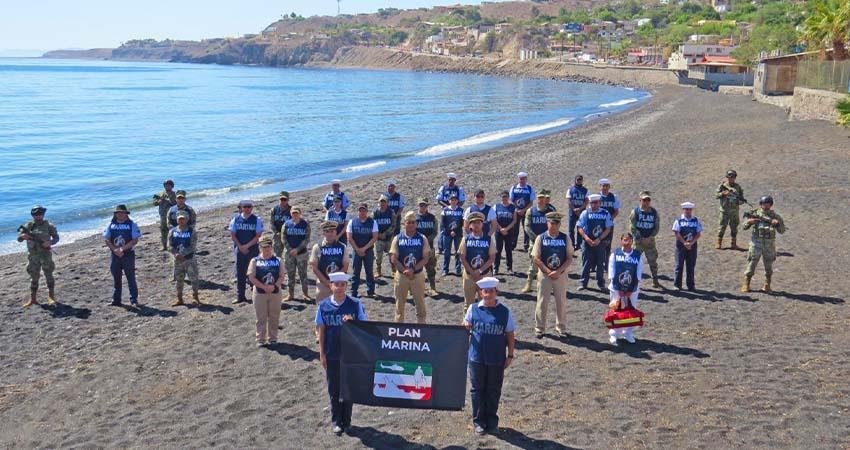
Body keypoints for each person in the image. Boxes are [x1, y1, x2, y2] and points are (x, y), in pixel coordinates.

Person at [316, 272, 367, 436]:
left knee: (348, 389)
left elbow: (365, 326)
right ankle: (336, 421)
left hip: (350, 354)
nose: (339, 287)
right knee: (334, 389)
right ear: (330, 286)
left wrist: (353, 323)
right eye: (336, 284)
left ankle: (347, 420)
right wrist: (322, 354)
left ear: (346, 286)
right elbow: (321, 330)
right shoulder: (323, 306)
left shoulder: (355, 304)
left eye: (342, 284)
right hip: (332, 354)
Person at [463, 276, 515, 435]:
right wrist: (465, 325)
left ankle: (492, 421)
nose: (488, 295)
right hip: (476, 357)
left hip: (496, 358)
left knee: (493, 390)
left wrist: (510, 355)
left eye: (491, 291)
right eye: (485, 292)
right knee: (477, 390)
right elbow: (465, 327)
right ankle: (478, 421)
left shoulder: (505, 311)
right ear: (480, 293)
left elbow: (510, 335)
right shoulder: (473, 309)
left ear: (496, 292)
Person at [531, 212, 573, 338]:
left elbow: (569, 258)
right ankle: (540, 328)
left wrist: (558, 271)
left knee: (561, 301)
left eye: (556, 223)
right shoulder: (541, 238)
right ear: (547, 223)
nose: (554, 226)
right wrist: (548, 271)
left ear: (560, 224)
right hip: (545, 275)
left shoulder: (565, 238)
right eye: (551, 223)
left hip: (560, 275)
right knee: (542, 301)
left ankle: (561, 327)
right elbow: (536, 258)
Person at [390, 211, 430, 323]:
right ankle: (398, 328)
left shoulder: (422, 238)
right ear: (404, 223)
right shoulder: (398, 238)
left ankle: (421, 328)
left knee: (420, 304)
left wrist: (413, 269)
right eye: (409, 222)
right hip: (401, 276)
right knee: (399, 305)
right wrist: (405, 270)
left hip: (417, 275)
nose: (411, 225)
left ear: (416, 224)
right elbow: (393, 258)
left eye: (413, 222)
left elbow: (425, 258)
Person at [607, 233, 645, 345]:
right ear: (621, 241)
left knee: (630, 311)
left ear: (632, 241)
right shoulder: (615, 254)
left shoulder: (638, 255)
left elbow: (639, 273)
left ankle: (628, 332)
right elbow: (611, 272)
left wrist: (631, 290)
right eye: (625, 240)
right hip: (616, 288)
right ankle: (614, 334)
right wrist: (618, 289)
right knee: (616, 310)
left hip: (632, 289)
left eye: (629, 240)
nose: (627, 242)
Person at [741, 195, 786, 293]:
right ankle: (746, 284)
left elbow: (782, 230)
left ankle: (767, 285)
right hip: (756, 243)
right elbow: (744, 227)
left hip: (769, 244)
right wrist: (750, 222)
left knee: (768, 265)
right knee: (752, 263)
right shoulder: (755, 214)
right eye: (763, 204)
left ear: (771, 205)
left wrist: (777, 224)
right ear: (760, 204)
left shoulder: (775, 216)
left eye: (767, 204)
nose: (765, 206)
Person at [18, 205, 60, 307]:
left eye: (40, 214)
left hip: (45, 254)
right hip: (33, 256)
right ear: (33, 215)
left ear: (43, 214)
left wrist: (50, 242)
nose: (38, 217)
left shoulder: (49, 225)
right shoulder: (28, 226)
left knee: (49, 275)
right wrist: (23, 237)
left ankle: (51, 297)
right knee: (34, 277)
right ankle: (33, 299)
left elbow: (56, 238)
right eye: (36, 215)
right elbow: (19, 239)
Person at [248, 234, 285, 346]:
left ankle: (273, 338)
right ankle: (260, 339)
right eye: (264, 247)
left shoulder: (278, 260)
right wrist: (263, 287)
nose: (266, 249)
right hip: (259, 293)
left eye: (268, 246)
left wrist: (275, 286)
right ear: (260, 248)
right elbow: (251, 277)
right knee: (261, 316)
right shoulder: (255, 261)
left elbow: (282, 276)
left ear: (271, 247)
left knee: (274, 315)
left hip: (275, 292)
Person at [459, 212, 497, 316]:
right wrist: (472, 272)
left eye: (478, 222)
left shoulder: (489, 239)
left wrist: (479, 271)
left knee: (486, 302)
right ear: (470, 225)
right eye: (473, 223)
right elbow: (462, 257)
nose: (476, 225)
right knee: (468, 304)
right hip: (469, 276)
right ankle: (467, 326)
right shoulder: (466, 239)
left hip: (485, 275)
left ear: (482, 224)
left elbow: (492, 258)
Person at [104, 204, 141, 306]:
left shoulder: (132, 224)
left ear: (126, 214)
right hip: (115, 255)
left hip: (128, 254)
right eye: (118, 213)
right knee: (116, 278)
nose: (120, 214)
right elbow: (107, 239)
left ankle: (134, 300)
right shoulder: (110, 225)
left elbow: (135, 240)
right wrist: (115, 250)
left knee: (131, 278)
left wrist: (122, 249)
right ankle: (116, 300)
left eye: (122, 212)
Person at [521, 190, 556, 293]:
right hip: (534, 240)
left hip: (548, 240)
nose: (540, 200)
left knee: (549, 263)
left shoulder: (550, 211)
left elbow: (555, 225)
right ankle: (529, 284)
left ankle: (551, 285)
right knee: (533, 262)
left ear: (545, 199)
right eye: (539, 198)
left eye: (542, 198)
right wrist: (536, 238)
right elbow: (526, 226)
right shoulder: (530, 211)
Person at [229, 200, 263, 304]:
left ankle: (257, 294)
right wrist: (240, 246)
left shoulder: (256, 219)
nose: (247, 209)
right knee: (240, 273)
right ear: (242, 208)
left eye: (249, 207)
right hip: (239, 250)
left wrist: (247, 246)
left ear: (252, 208)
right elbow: (233, 235)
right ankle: (241, 296)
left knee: (254, 272)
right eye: (245, 207)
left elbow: (258, 235)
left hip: (252, 249)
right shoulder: (235, 219)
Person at [577, 194, 613, 292]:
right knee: (586, 262)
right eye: (592, 202)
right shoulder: (585, 213)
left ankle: (601, 283)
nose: (593, 205)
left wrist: (599, 239)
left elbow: (608, 228)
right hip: (587, 242)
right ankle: (583, 282)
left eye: (595, 202)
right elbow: (580, 227)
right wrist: (586, 238)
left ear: (600, 202)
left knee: (600, 263)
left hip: (600, 242)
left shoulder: (605, 213)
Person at [310, 221, 350, 302]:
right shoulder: (317, 247)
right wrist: (326, 282)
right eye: (327, 231)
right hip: (322, 282)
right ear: (323, 233)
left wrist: (334, 281)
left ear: (336, 232)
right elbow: (314, 267)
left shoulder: (342, 247)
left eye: (332, 231)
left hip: (339, 283)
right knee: (322, 307)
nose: (330, 234)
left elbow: (345, 266)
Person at [629, 191, 661, 288]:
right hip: (638, 242)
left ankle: (655, 280)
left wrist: (651, 237)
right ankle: (633, 281)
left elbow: (656, 227)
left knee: (653, 262)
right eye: (644, 200)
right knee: (634, 262)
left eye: (648, 200)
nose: (646, 202)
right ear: (640, 200)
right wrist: (641, 238)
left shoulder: (654, 212)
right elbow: (632, 227)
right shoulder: (635, 212)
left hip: (650, 242)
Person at [168, 210, 201, 306]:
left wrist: (183, 255)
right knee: (179, 280)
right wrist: (176, 254)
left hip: (190, 260)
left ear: (187, 220)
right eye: (180, 219)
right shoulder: (172, 231)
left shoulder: (192, 231)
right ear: (177, 220)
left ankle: (195, 297)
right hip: (177, 260)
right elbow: (169, 245)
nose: (181, 221)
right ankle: (180, 299)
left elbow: (193, 246)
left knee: (194, 279)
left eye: (183, 219)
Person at [347, 203, 378, 298]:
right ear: (358, 211)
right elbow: (349, 237)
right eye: (360, 210)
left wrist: (364, 249)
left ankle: (371, 291)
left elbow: (374, 237)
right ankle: (354, 291)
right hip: (356, 251)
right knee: (356, 272)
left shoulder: (373, 222)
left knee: (369, 272)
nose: (362, 212)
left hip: (368, 251)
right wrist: (357, 249)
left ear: (367, 211)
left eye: (364, 210)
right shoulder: (352, 222)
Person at [282, 206, 311, 300]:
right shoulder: (286, 224)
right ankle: (290, 294)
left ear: (299, 213)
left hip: (302, 253)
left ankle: (305, 294)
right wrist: (290, 249)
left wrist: (297, 249)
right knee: (290, 275)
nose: (295, 214)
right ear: (291, 213)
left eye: (296, 213)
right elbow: (283, 238)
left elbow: (307, 239)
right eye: (293, 213)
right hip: (289, 254)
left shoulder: (305, 224)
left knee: (303, 275)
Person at [672, 202, 702, 291]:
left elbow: (698, 233)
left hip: (692, 247)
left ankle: (691, 285)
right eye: (686, 209)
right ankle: (677, 285)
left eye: (689, 209)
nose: (688, 211)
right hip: (680, 247)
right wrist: (684, 242)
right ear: (683, 210)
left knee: (691, 266)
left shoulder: (695, 220)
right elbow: (676, 233)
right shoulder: (678, 220)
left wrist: (691, 243)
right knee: (679, 266)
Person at [415, 198, 439, 296]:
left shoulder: (432, 218)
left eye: (424, 205)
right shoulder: (415, 218)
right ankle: (414, 288)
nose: (423, 207)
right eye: (421, 205)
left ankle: (432, 287)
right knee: (415, 268)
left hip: (429, 246)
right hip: (416, 247)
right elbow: (411, 231)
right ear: (418, 206)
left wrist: (427, 239)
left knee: (431, 268)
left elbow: (435, 232)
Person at [716, 169, 745, 250]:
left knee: (734, 227)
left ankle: (733, 243)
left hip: (734, 211)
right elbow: (716, 195)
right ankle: (719, 242)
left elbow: (741, 199)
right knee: (722, 227)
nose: (731, 178)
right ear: (727, 177)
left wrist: (740, 201)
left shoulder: (738, 187)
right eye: (729, 177)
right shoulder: (722, 186)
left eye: (733, 177)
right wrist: (723, 193)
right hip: (724, 210)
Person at [494, 191, 518, 275]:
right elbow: (494, 219)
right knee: (498, 250)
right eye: (503, 196)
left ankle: (509, 268)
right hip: (498, 231)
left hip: (509, 231)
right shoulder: (496, 206)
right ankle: (496, 268)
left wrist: (506, 229)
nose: (504, 198)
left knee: (508, 250)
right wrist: (501, 229)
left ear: (508, 197)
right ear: (500, 197)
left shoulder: (512, 207)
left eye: (506, 196)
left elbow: (514, 220)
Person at [439, 194, 464, 276]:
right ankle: (445, 269)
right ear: (449, 201)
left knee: (458, 251)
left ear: (457, 201)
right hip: (447, 234)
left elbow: (462, 223)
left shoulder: (461, 210)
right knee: (447, 252)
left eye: (455, 200)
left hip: (458, 234)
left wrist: (455, 231)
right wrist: (450, 231)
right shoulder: (445, 210)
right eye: (452, 200)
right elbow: (443, 223)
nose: (453, 201)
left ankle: (458, 269)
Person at [509, 172, 535, 250]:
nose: (522, 180)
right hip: (515, 212)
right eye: (520, 179)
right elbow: (510, 200)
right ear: (518, 179)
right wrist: (516, 210)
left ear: (526, 179)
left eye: (523, 179)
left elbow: (531, 202)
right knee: (514, 229)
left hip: (526, 211)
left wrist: (523, 210)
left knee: (526, 228)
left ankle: (526, 245)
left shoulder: (530, 188)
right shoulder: (513, 188)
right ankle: (513, 245)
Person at [598, 179, 620, 270]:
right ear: (600, 186)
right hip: (598, 224)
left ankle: (607, 265)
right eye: (603, 186)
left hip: (609, 224)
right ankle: (596, 264)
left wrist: (609, 220)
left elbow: (616, 211)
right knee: (597, 244)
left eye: (607, 186)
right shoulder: (597, 197)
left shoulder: (613, 196)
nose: (605, 188)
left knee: (607, 245)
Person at [372, 195, 396, 278]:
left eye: (384, 202)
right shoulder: (375, 212)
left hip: (389, 238)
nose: (382, 204)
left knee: (391, 254)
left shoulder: (391, 212)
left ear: (387, 203)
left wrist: (385, 233)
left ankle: (394, 270)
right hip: (378, 239)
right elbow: (372, 224)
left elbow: (393, 225)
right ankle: (378, 270)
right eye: (381, 202)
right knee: (378, 256)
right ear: (379, 203)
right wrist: (378, 234)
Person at [565, 175, 588, 252]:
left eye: (580, 180)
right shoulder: (570, 190)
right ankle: (571, 245)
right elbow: (568, 201)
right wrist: (574, 209)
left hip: (581, 212)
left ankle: (579, 244)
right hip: (572, 212)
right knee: (571, 229)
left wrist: (580, 209)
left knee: (580, 228)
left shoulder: (585, 190)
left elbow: (586, 201)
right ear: (575, 180)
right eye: (578, 179)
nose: (579, 181)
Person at [153, 179, 177, 251]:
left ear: (172, 186)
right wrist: (159, 201)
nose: (167, 186)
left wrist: (170, 201)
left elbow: (178, 203)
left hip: (173, 215)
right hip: (163, 215)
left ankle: (174, 245)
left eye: (169, 185)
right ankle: (164, 246)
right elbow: (154, 203)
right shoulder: (160, 194)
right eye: (166, 185)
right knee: (163, 230)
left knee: (173, 230)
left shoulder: (175, 194)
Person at [270, 191, 293, 257]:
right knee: (277, 255)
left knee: (289, 256)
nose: (283, 201)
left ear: (288, 200)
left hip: (288, 236)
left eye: (284, 199)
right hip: (277, 235)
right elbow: (272, 223)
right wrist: (276, 232)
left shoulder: (291, 210)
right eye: (281, 199)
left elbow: (294, 222)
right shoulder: (274, 209)